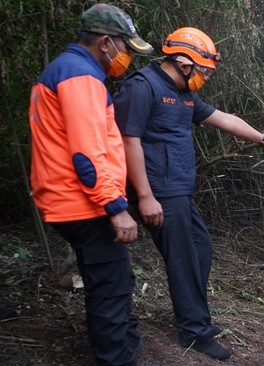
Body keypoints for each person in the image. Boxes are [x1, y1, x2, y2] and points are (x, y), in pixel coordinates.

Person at [113, 27, 264, 361]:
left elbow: (224, 118)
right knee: (183, 260)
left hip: (179, 191)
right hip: (159, 192)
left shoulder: (184, 94)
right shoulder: (143, 87)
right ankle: (195, 332)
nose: (206, 78)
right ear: (183, 63)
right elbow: (128, 141)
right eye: (204, 71)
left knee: (200, 250)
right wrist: (145, 196)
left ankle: (196, 317)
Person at [29, 4, 153, 365]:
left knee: (107, 279)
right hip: (83, 203)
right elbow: (86, 154)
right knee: (111, 288)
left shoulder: (63, 70)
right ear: (105, 42)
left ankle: (123, 344)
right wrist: (115, 208)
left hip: (66, 200)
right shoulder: (78, 75)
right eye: (126, 47)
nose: (126, 56)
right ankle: (118, 357)